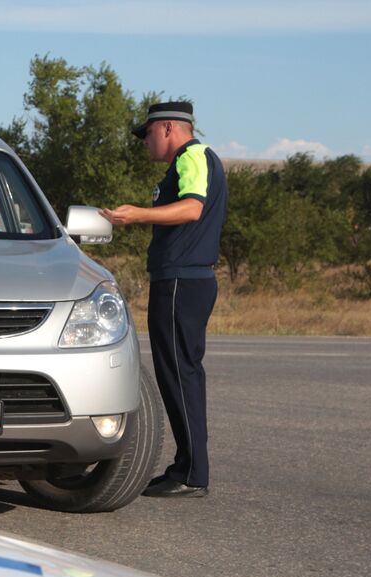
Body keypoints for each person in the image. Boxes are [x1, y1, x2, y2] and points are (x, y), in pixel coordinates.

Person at [101, 101, 226, 499]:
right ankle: (190, 467)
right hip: (183, 280)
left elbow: (192, 208)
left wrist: (136, 215)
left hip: (181, 281)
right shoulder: (191, 159)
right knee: (181, 371)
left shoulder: (194, 156)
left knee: (179, 373)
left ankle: (190, 472)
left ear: (169, 127)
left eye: (148, 134)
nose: (145, 143)